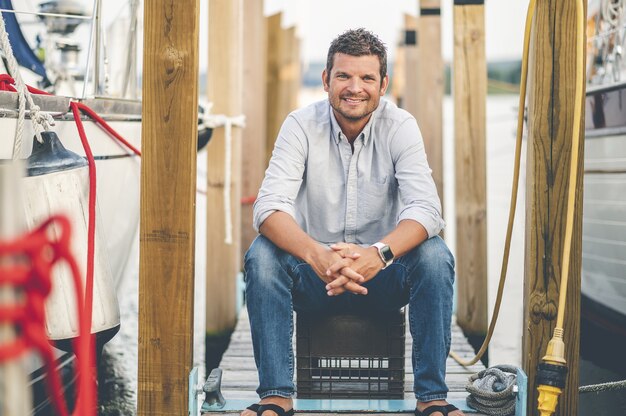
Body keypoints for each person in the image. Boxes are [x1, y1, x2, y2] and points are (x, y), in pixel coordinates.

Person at [242, 28, 463, 416]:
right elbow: (268, 208)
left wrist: (377, 255)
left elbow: (427, 210)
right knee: (262, 255)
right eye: (343, 76)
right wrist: (318, 256)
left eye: (367, 78)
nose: (354, 87)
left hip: (383, 279)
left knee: (434, 255)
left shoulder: (401, 126)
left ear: (383, 85)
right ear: (326, 80)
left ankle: (432, 398)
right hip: (315, 280)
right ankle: (275, 396)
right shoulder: (300, 125)